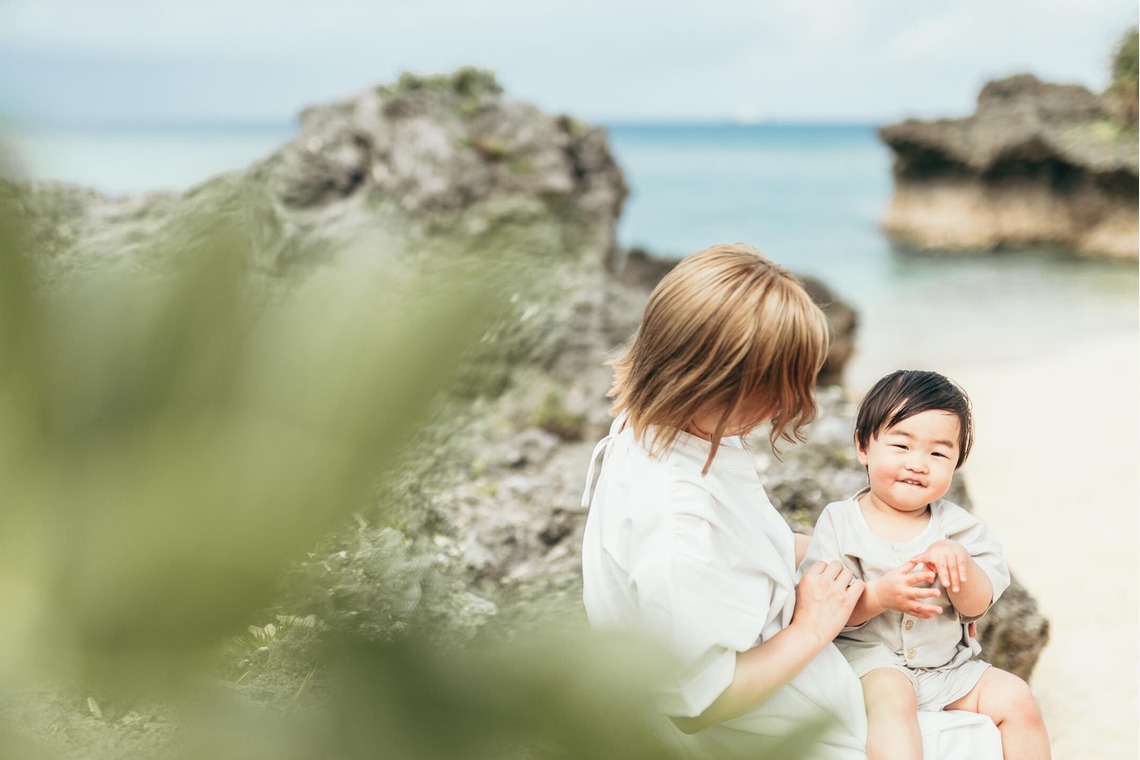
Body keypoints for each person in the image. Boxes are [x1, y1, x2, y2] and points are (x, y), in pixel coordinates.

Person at [580, 243, 869, 758]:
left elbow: (738, 545)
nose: (790, 402)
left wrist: (855, 550)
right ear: (716, 381)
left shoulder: (662, 426)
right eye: (779, 384)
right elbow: (699, 703)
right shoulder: (676, 524)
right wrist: (812, 628)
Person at [801, 370, 1051, 759]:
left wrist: (961, 566)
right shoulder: (840, 522)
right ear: (864, 447)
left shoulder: (961, 528)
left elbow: (977, 605)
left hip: (947, 669)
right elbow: (822, 611)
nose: (918, 464)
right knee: (892, 699)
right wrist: (879, 596)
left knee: (1016, 697)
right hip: (869, 665)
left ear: (956, 463)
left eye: (938, 454)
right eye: (901, 446)